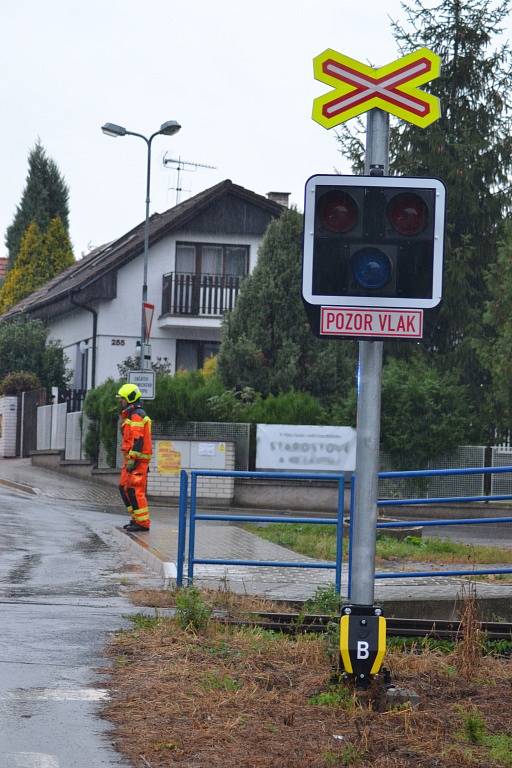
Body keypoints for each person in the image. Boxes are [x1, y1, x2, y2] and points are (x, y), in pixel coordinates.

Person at [116, 383, 152, 532]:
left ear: (129, 399)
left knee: (135, 490)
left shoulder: (137, 415)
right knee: (124, 488)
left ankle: (143, 523)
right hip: (131, 460)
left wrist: (133, 459)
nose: (121, 402)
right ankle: (136, 518)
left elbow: (138, 439)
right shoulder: (131, 415)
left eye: (122, 399)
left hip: (137, 461)